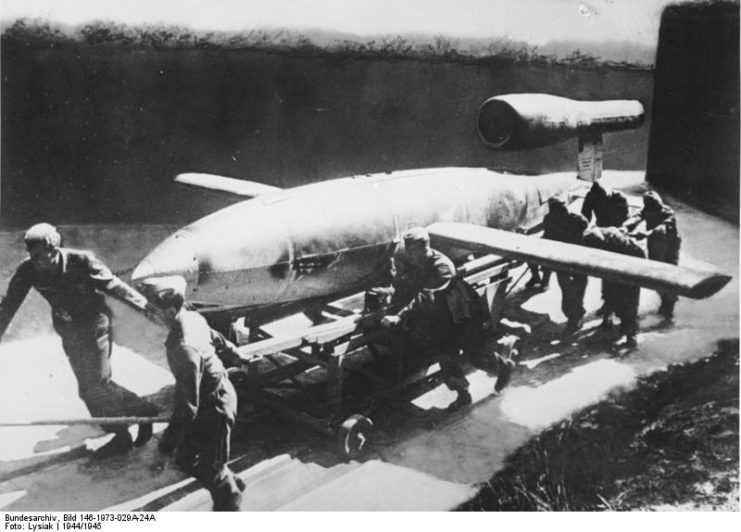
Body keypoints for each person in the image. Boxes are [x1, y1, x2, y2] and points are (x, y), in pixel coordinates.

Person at [0, 223, 160, 457]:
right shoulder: (28, 270)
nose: (36, 262)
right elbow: (9, 305)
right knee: (88, 390)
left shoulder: (82, 261)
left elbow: (114, 287)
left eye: (41, 256)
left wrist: (146, 307)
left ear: (54, 249)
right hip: (69, 331)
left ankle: (129, 427)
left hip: (95, 327)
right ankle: (137, 415)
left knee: (96, 385)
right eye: (32, 256)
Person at [139, 275, 245, 511]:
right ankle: (231, 483)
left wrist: (163, 451)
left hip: (215, 407)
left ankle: (231, 504)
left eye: (151, 308)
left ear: (168, 310)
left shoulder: (183, 347)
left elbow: (187, 408)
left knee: (211, 469)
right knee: (185, 459)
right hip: (207, 397)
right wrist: (235, 353)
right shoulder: (191, 317)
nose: (147, 313)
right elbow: (218, 340)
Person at [380, 227, 512, 412]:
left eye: (412, 251)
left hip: (464, 316)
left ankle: (502, 367)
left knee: (477, 356)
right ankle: (463, 395)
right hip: (442, 318)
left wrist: (399, 316)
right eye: (408, 251)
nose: (409, 255)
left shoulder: (442, 266)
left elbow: (425, 296)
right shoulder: (419, 261)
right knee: (445, 356)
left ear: (422, 248)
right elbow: (409, 284)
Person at [583, 227, 646, 348]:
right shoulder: (591, 237)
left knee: (629, 302)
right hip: (611, 265)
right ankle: (608, 317)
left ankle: (630, 335)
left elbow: (637, 258)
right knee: (608, 291)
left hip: (631, 264)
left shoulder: (621, 245)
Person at [623, 191, 682, 319]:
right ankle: (666, 300)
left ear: (658, 204)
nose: (649, 208)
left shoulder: (668, 213)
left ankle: (669, 307)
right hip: (655, 243)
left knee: (668, 273)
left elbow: (661, 228)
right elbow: (637, 216)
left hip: (670, 246)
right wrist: (625, 227)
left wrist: (646, 233)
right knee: (656, 272)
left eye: (652, 205)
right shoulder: (648, 208)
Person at [542, 197, 590, 340]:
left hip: (577, 262)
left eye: (561, 208)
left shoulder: (577, 220)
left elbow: (584, 227)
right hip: (561, 262)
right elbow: (548, 236)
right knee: (566, 290)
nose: (558, 212)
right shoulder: (549, 219)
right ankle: (575, 316)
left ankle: (575, 320)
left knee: (576, 291)